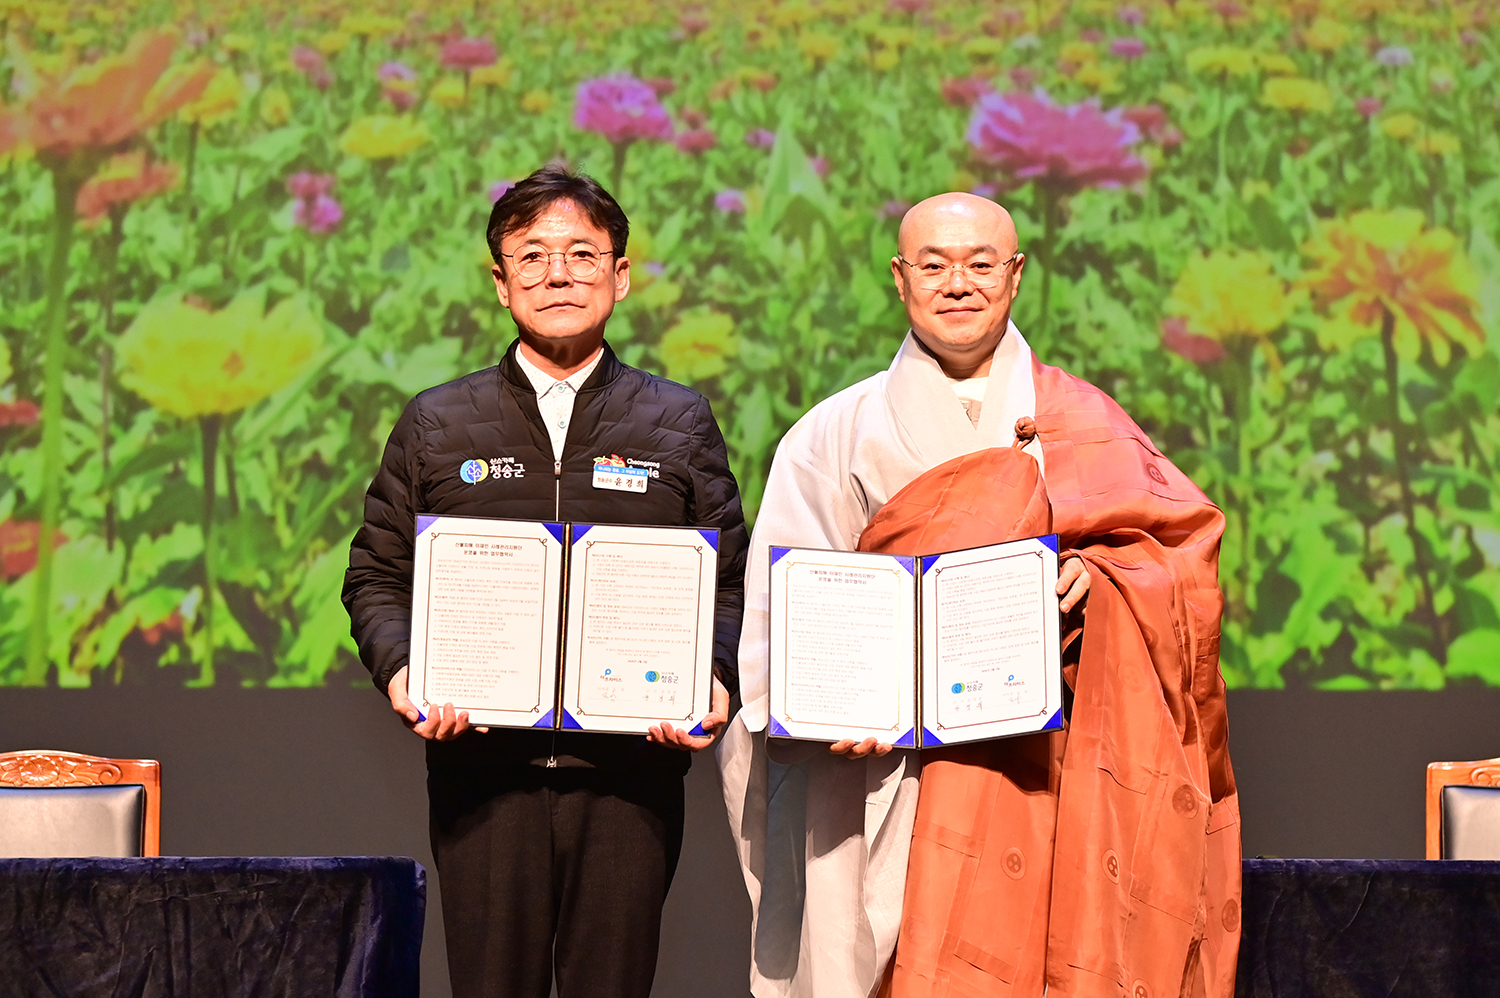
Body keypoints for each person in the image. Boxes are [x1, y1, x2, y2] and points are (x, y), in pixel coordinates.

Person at [718, 193, 1240, 998]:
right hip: (886, 770)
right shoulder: (833, 434)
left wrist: (1097, 579)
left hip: (1039, 758)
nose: (956, 283)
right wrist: (831, 710)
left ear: (1016, 275)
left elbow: (1175, 556)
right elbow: (786, 615)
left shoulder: (1082, 420)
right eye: (933, 265)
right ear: (900, 279)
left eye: (979, 264)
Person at [343, 164, 748, 998]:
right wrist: (403, 672)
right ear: (500, 284)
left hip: (630, 775)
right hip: (483, 776)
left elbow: (731, 584)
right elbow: (377, 576)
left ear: (620, 275)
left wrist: (713, 679)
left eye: (580, 254)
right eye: (531, 257)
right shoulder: (437, 419)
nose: (557, 274)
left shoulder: (677, 419)